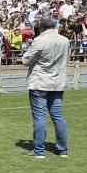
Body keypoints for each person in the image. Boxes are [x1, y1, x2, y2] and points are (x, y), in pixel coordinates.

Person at [21, 15, 70, 159]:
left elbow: (26, 60)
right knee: (58, 116)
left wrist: (30, 47)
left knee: (39, 117)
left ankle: (39, 150)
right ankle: (62, 149)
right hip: (57, 82)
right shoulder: (65, 40)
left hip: (40, 82)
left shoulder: (39, 41)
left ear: (41, 27)